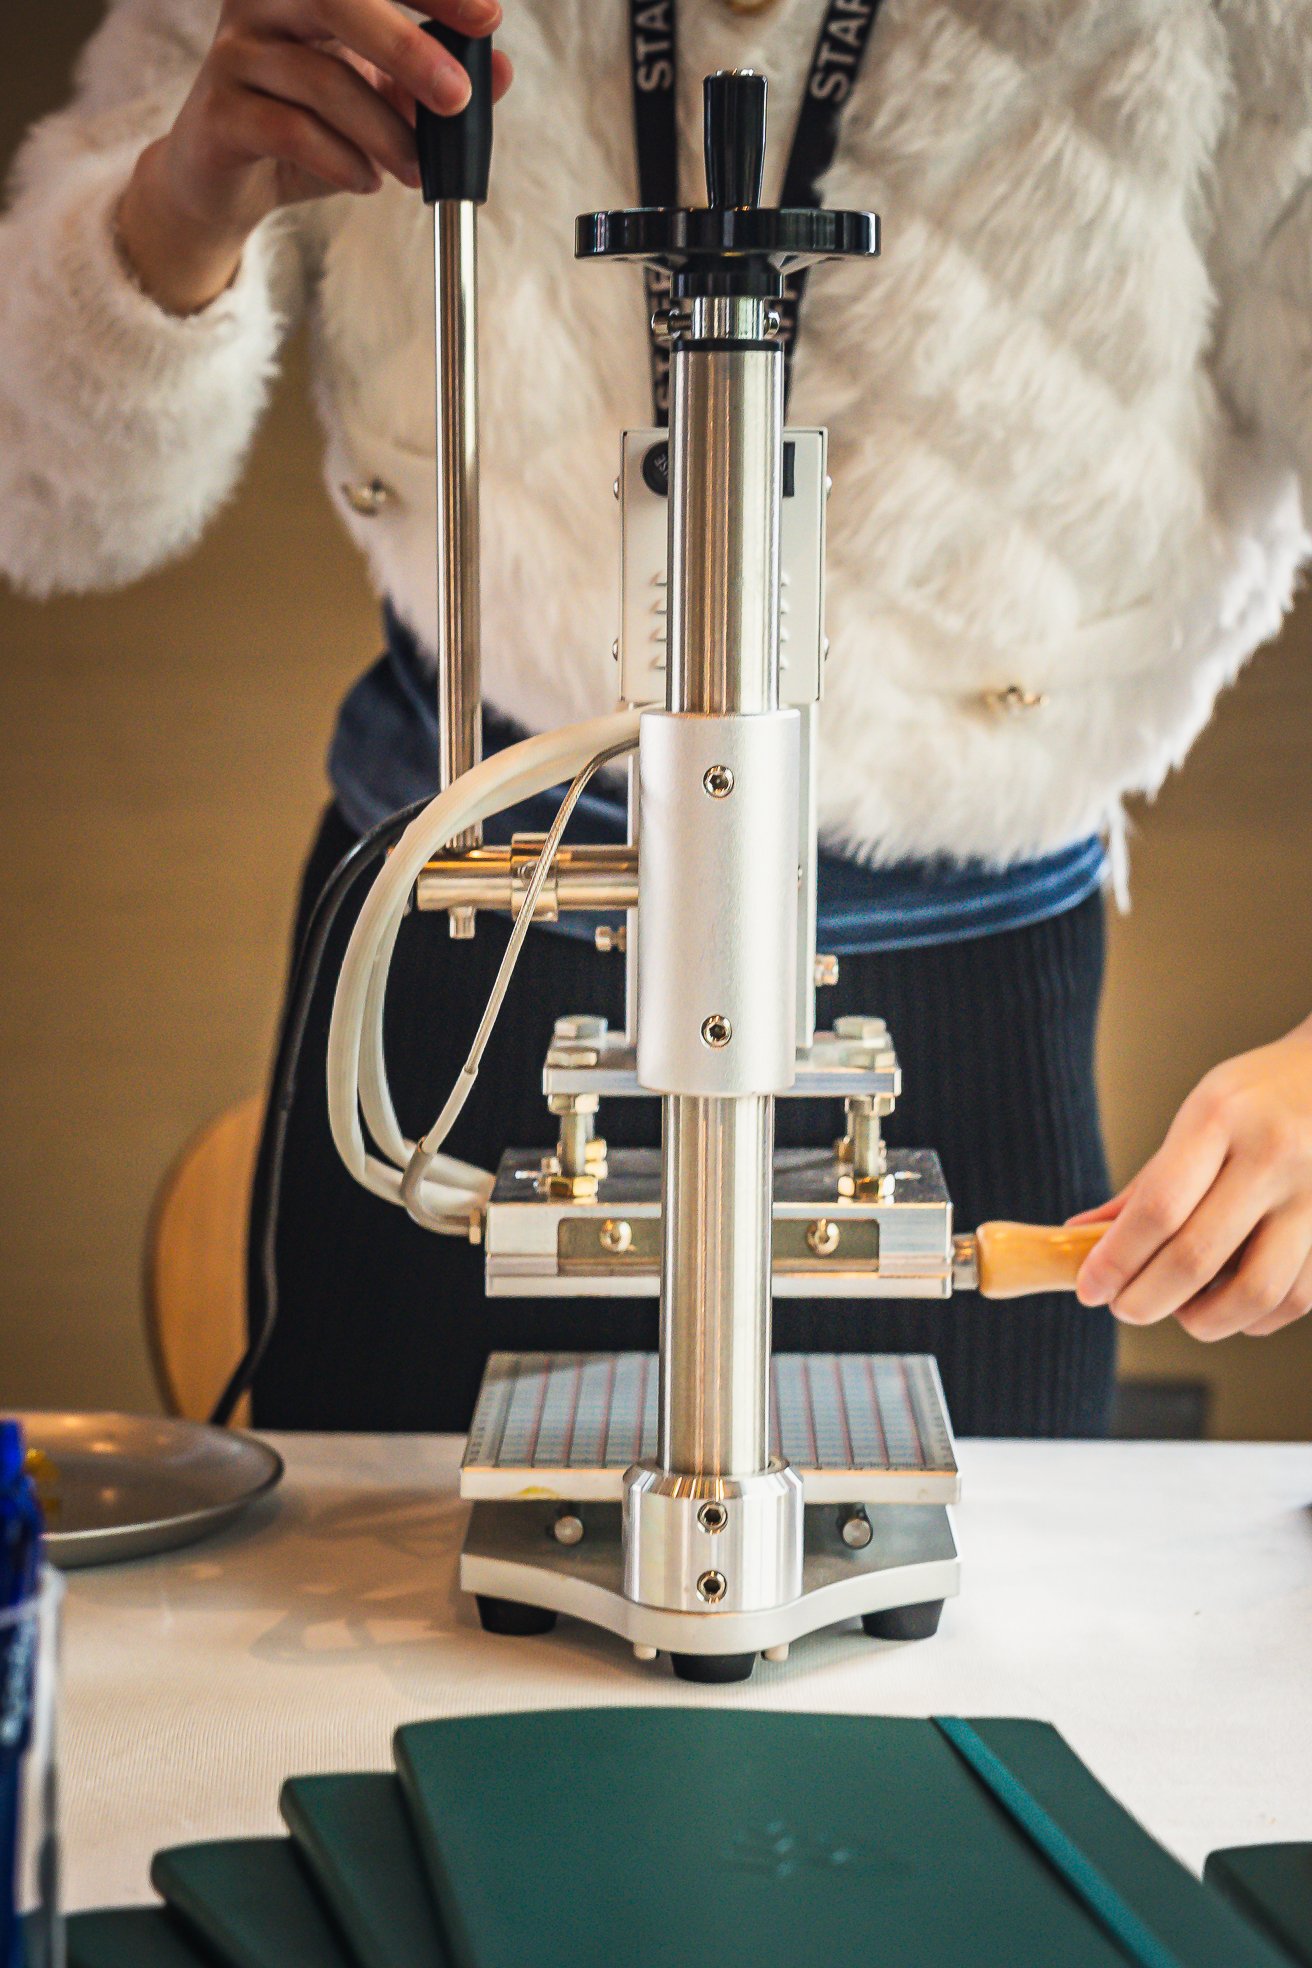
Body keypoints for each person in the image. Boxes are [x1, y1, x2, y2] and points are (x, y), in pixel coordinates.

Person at [2, 0, 1311, 1438]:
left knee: (955, 1654)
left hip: (964, 1010)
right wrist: (174, 212)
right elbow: (47, 503)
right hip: (465, 966)